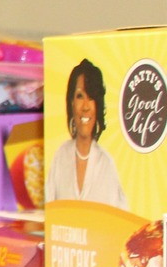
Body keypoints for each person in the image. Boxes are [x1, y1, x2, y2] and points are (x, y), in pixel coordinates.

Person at [47, 58, 129, 207]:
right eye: (80, 96)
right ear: (71, 102)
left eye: (91, 98)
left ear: (98, 105)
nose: (85, 106)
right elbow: (49, 209)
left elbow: (119, 219)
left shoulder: (106, 163)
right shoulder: (60, 156)